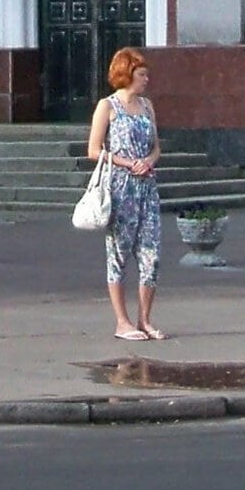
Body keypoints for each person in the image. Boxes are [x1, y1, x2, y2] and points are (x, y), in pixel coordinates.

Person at [85, 45, 164, 342]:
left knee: (151, 254)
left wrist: (149, 161)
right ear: (127, 74)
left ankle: (145, 319)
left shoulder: (147, 106)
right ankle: (122, 321)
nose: (146, 79)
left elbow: (157, 146)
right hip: (120, 187)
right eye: (142, 74)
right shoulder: (108, 106)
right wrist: (126, 161)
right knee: (118, 254)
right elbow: (93, 150)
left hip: (147, 187)